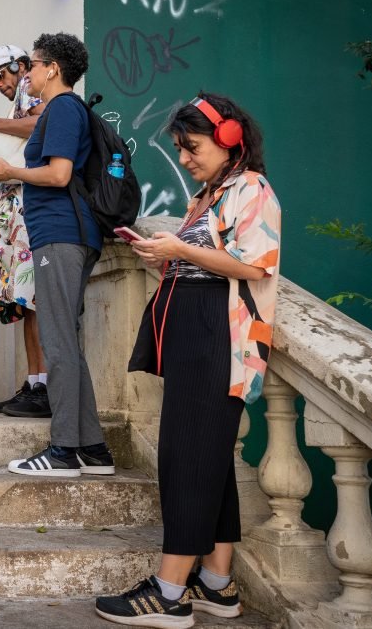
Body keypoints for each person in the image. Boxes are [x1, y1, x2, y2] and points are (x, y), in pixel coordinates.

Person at [94, 94, 280, 628]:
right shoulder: (211, 193)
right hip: (192, 335)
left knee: (186, 459)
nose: (184, 158)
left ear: (228, 139)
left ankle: (170, 592)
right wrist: (163, 249)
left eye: (192, 146)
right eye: (180, 148)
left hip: (217, 336)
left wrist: (180, 250)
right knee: (210, 463)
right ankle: (217, 586)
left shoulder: (252, 190)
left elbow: (255, 265)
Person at [0, 33, 113, 476]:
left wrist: (10, 171)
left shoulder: (60, 108)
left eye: (33, 65)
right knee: (66, 344)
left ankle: (62, 451)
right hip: (66, 235)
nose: (28, 73)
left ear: (52, 68)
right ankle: (94, 449)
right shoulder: (67, 110)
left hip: (60, 235)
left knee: (57, 342)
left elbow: (58, 174)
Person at [0, 44, 50, 417]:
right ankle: (33, 382)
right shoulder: (16, 101)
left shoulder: (37, 93)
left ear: (20, 66)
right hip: (13, 217)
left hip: (34, 211)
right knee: (25, 304)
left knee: (37, 303)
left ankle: (46, 385)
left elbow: (42, 124)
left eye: (1, 75)